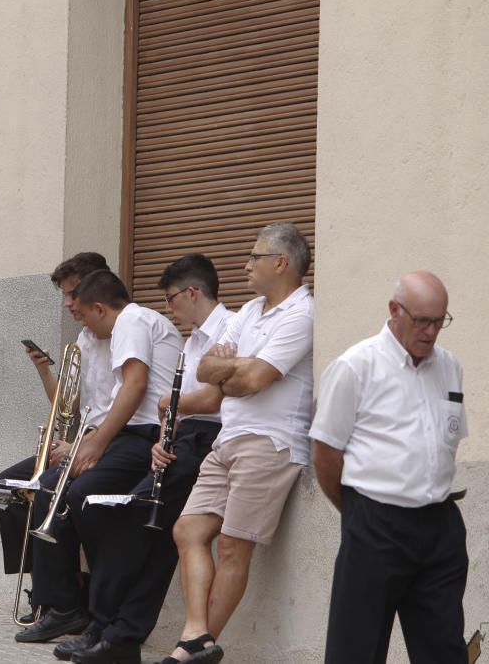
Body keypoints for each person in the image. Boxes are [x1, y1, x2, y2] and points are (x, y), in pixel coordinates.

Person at [58, 254, 233, 664]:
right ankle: (113, 633)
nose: (168, 309)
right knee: (145, 534)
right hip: (182, 439)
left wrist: (170, 404)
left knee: (134, 521)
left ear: (192, 292)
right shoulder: (194, 341)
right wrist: (165, 437)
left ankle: (113, 632)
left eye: (171, 299)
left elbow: (213, 399)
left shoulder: (231, 328)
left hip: (211, 439)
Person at [158, 222, 313, 664]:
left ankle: (189, 651)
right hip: (227, 440)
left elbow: (256, 379)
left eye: (254, 257)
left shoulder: (302, 313)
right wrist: (230, 372)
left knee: (231, 545)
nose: (245, 265)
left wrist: (233, 371)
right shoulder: (247, 311)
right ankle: (197, 635)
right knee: (187, 530)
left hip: (270, 442)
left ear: (281, 263)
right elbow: (208, 371)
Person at [16, 269, 183, 644]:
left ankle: (95, 608)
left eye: (83, 311)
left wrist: (96, 443)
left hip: (143, 435)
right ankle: (62, 605)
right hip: (118, 434)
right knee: (47, 489)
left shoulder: (132, 320)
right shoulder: (103, 331)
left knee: (80, 498)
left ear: (99, 307)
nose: (80, 318)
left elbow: (135, 385)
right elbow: (79, 404)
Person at [311, 272, 468, 664]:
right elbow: (325, 455)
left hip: (439, 526)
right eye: (422, 321)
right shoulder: (355, 366)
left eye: (439, 321)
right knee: (356, 649)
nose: (431, 332)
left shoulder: (449, 367)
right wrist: (360, 513)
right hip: (375, 525)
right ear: (394, 310)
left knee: (444, 649)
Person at [0, 252, 114, 590]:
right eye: (65, 296)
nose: (68, 305)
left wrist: (77, 447)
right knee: (8, 485)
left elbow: (127, 410)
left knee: (46, 489)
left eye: (73, 294)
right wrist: (44, 369)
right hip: (81, 440)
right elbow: (67, 406)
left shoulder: (124, 335)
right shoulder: (85, 339)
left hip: (104, 444)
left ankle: (64, 592)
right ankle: (42, 588)